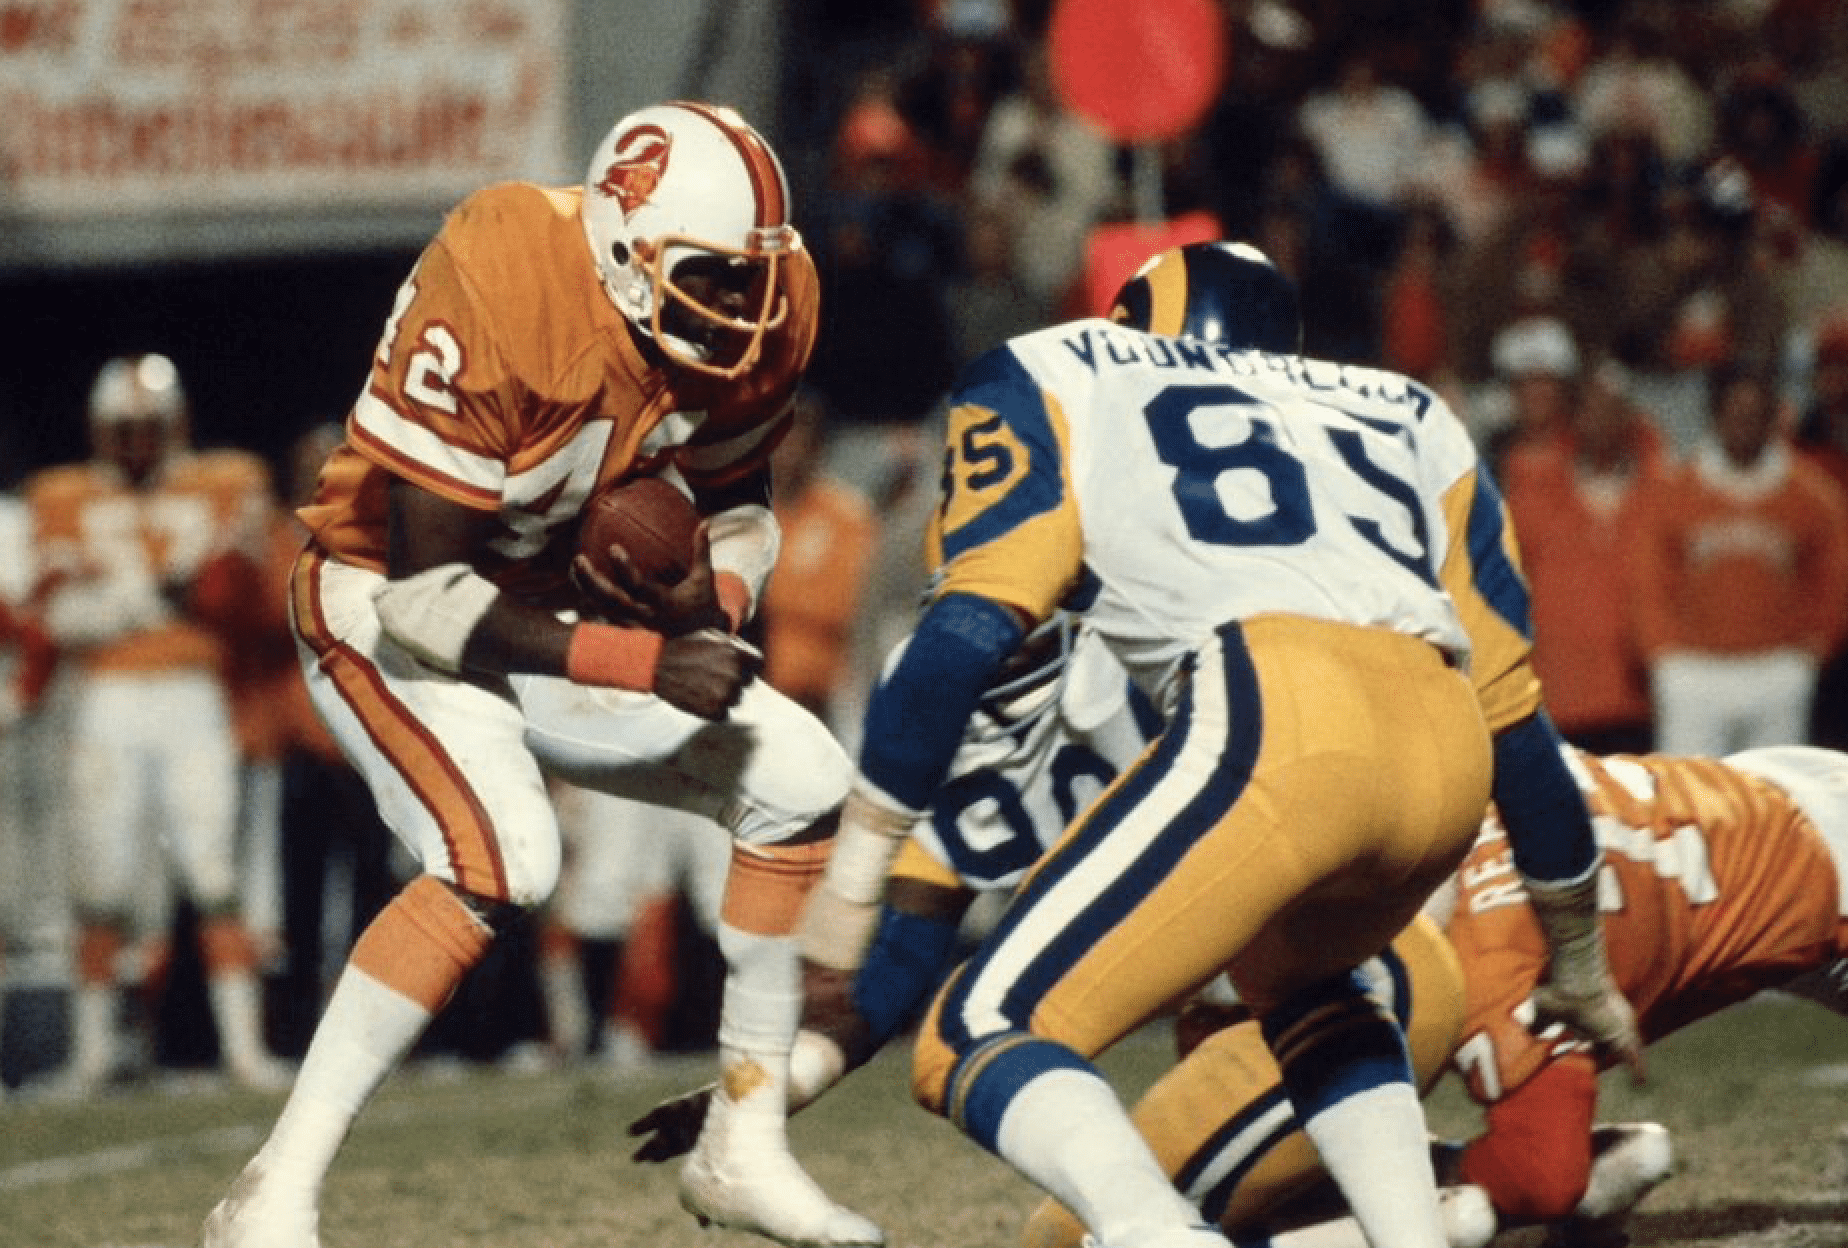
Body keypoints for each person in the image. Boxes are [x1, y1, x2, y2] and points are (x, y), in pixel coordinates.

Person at [785, 240, 1637, 1248]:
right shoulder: (1411, 412)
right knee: (1310, 988)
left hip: (1278, 713)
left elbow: (963, 637)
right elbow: (1518, 731)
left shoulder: (1070, 371)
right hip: (1443, 748)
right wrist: (1580, 962)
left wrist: (840, 905)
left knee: (979, 1033)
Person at [202, 101, 879, 1248]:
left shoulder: (771, 299)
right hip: (380, 598)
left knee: (803, 778)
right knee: (504, 856)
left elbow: (737, 506)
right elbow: (426, 596)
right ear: (622, 245)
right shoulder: (508, 265)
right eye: (713, 280)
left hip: (551, 598)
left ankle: (742, 1148)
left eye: (754, 282)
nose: (746, 311)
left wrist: (708, 604)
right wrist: (643, 657)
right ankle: (270, 1194)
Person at [1013, 741, 1848, 1248]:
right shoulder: (1426, 791)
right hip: (1771, 792)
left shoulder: (1492, 964)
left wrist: (1434, 1183)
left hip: (1821, 888)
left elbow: (1547, 1179)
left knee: (1511, 1192)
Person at [25, 354, 287, 1096]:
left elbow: (244, 601)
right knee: (99, 879)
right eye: (124, 428)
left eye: (149, 427)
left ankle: (244, 1051)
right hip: (108, 701)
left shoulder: (227, 481)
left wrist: (128, 602)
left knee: (213, 872)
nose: (138, 442)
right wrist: (155, 598)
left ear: (176, 426)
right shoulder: (62, 496)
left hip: (192, 695)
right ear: (100, 431)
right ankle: (92, 1056)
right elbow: (57, 617)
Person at [1631, 360, 1848, 756]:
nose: (1744, 427)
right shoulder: (1673, 490)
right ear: (1714, 416)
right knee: (1693, 797)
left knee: (1771, 796)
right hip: (1694, 669)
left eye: (1754, 417)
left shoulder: (1812, 494)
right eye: (1734, 416)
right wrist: (1663, 656)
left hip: (1777, 667)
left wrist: (1812, 651)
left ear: (1773, 417)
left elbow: (1835, 577)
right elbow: (1647, 580)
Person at [1501, 358, 1672, 755]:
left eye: (1612, 412)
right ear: (1573, 419)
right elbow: (1503, 583)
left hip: (1635, 696)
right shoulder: (1533, 491)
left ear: (1629, 418)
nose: (1601, 423)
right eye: (1590, 412)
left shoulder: (1662, 492)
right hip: (1560, 692)